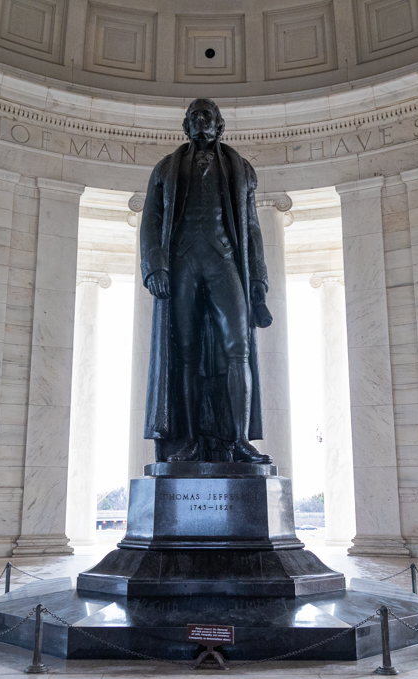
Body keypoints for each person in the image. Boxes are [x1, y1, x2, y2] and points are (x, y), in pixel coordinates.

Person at [140, 98, 272, 464]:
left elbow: (251, 228)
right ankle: (191, 440)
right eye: (194, 116)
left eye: (207, 116)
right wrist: (155, 266)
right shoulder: (165, 168)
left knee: (238, 347)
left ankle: (240, 441)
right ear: (186, 126)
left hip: (224, 260)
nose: (200, 121)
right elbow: (151, 219)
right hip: (181, 262)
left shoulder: (240, 169)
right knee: (185, 354)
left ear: (219, 125)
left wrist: (259, 277)